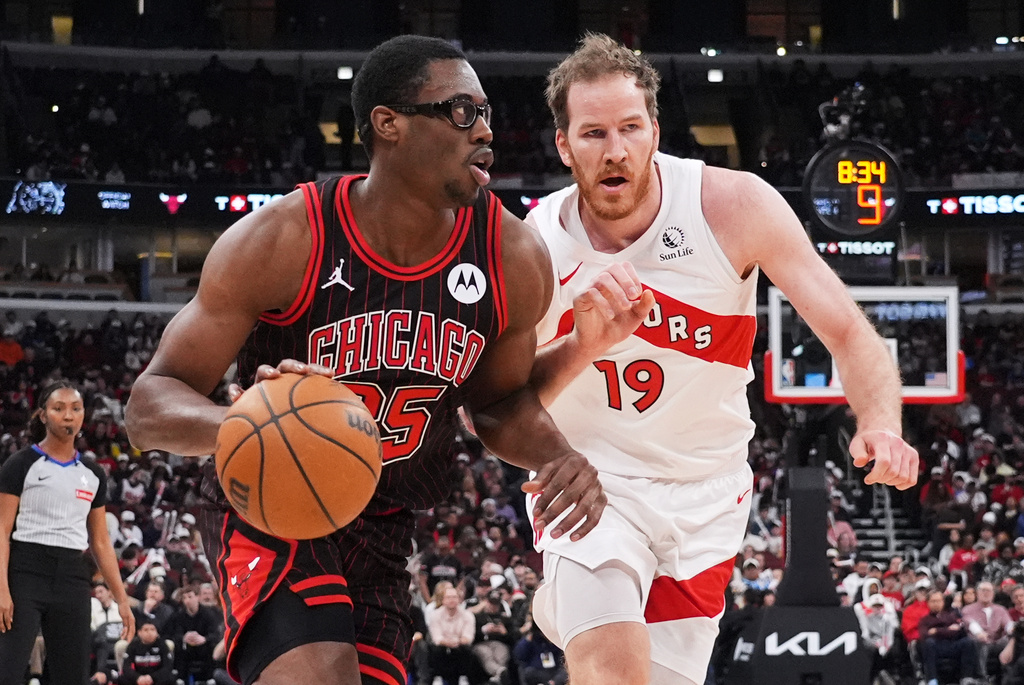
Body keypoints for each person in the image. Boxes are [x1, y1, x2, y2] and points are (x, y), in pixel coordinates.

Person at [124, 35, 605, 685]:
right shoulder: (287, 236)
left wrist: (555, 453)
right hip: (272, 504)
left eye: (487, 112)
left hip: (382, 522)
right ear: (390, 124)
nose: (486, 129)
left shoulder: (511, 255)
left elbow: (496, 404)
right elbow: (149, 402)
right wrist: (245, 422)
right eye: (462, 112)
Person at [523, 33, 920, 685]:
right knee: (612, 672)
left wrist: (882, 422)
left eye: (630, 127)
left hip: (705, 495)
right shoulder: (534, 246)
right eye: (593, 133)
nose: (616, 149)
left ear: (655, 129)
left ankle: (566, 604)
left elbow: (849, 330)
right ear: (564, 145)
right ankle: (578, 598)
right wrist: (582, 346)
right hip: (593, 484)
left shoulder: (732, 206)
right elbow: (507, 398)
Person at [0, 380, 135, 685]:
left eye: (75, 408)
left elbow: (100, 542)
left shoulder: (93, 473)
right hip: (24, 572)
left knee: (72, 676)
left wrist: (122, 599)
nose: (68, 415)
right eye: (58, 408)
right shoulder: (20, 464)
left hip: (73, 576)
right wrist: (2, 588)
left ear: (83, 415)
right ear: (43, 415)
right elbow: (1, 529)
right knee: (7, 670)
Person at [919, 590, 982, 685]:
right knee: (928, 643)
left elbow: (958, 631)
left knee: (968, 642)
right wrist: (947, 630)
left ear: (943, 602)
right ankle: (932, 679)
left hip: (953, 645)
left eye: (938, 601)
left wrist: (936, 630)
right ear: (928, 603)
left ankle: (967, 678)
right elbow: (924, 635)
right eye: (933, 601)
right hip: (936, 646)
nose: (936, 604)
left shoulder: (951, 616)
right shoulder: (925, 620)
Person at [118, 620, 175, 685]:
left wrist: (152, 677)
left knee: (170, 678)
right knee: (122, 679)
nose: (149, 632)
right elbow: (126, 667)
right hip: (139, 677)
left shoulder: (162, 645)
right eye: (146, 630)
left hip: (156, 678)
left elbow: (167, 667)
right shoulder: (133, 645)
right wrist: (138, 677)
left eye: (152, 630)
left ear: (157, 633)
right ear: (139, 633)